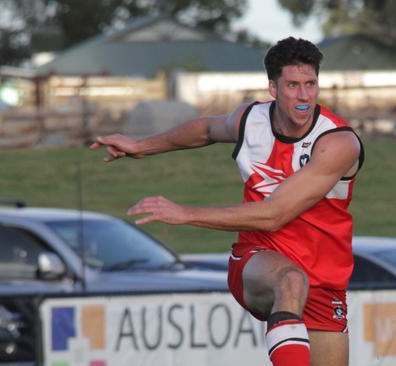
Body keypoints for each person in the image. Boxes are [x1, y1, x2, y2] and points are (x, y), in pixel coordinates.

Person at [90, 37, 364, 366]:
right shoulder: (251, 120)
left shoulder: (337, 142)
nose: (304, 95)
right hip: (258, 260)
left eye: (310, 84)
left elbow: (274, 214)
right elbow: (206, 129)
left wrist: (185, 213)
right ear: (273, 89)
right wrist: (140, 145)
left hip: (324, 279)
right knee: (291, 280)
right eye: (293, 85)